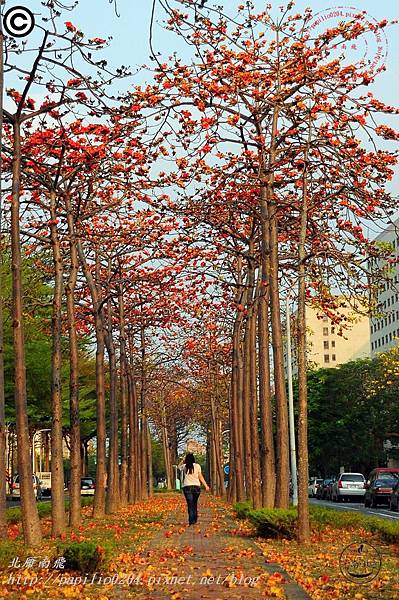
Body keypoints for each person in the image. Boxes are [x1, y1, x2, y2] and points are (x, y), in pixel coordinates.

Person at [178, 453, 209, 526]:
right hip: (196, 487)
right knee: (194, 503)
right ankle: (194, 519)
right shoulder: (197, 466)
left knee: (190, 504)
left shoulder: (184, 466)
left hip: (187, 487)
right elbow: (200, 476)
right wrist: (206, 485)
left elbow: (178, 467)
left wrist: (182, 460)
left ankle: (191, 520)